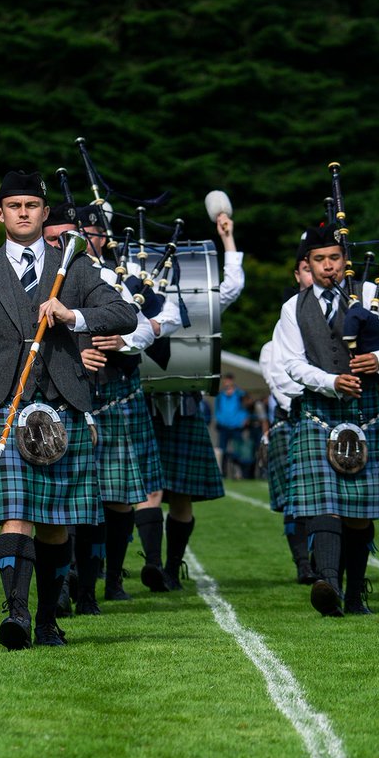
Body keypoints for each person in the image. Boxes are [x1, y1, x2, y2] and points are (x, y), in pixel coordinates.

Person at [0, 171, 136, 649]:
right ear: (0, 214)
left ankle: (50, 618)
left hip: (60, 403)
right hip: (0, 405)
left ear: (45, 212)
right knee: (14, 510)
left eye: (32, 204)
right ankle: (17, 613)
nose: (24, 212)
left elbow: (124, 314)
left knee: (55, 522)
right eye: (15, 205)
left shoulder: (72, 265)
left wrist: (72, 316)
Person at [276, 225, 379, 616]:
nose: (328, 266)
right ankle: (329, 584)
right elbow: (291, 364)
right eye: (319, 260)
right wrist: (332, 381)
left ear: (344, 260)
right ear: (308, 264)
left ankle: (354, 594)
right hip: (320, 412)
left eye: (334, 258)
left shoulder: (368, 294)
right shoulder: (293, 308)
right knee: (326, 504)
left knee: (359, 513)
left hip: (364, 413)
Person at [135, 208, 243, 593]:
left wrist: (227, 238)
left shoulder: (200, 301)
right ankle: (151, 564)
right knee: (150, 488)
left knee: (181, 494)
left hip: (184, 400)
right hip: (144, 401)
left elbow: (231, 286)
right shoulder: (133, 294)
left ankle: (170, 566)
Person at [69, 202, 158, 612]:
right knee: (73, 496)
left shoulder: (117, 277)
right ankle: (75, 578)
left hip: (116, 393)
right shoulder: (56, 274)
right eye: (81, 231)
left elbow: (149, 325)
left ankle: (114, 576)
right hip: (73, 393)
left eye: (95, 232)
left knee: (119, 496)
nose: (90, 238)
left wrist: (123, 340)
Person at [260, 235, 315, 583]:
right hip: (293, 420)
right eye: (306, 268)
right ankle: (303, 564)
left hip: (324, 415)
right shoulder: (272, 346)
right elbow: (284, 387)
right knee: (295, 499)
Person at [214, 373, 248, 478]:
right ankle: (222, 473)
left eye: (229, 381)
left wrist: (243, 420)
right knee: (222, 450)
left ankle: (238, 473)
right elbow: (217, 410)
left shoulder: (240, 394)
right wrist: (220, 420)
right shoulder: (220, 396)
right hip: (224, 427)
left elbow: (246, 406)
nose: (227, 383)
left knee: (237, 451)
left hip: (236, 427)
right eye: (225, 381)